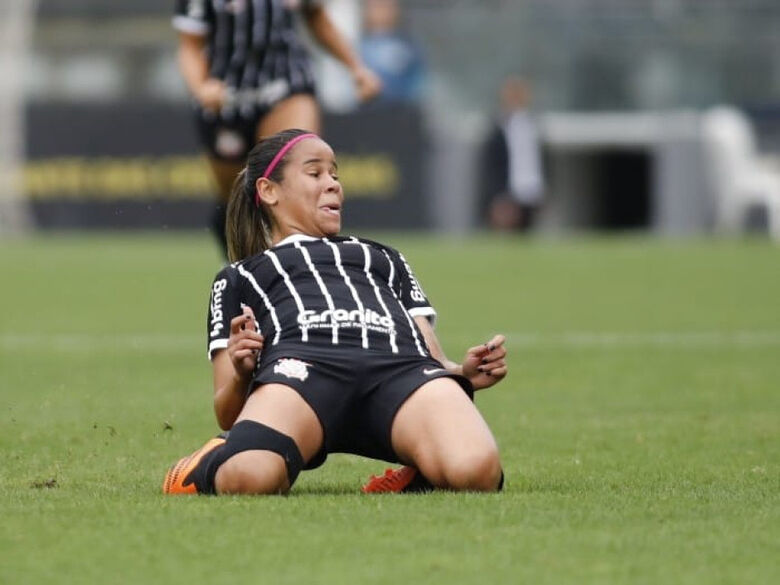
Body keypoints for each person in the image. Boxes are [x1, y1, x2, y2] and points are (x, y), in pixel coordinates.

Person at [162, 129, 508, 496]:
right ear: (269, 191)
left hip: (398, 373)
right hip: (299, 375)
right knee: (250, 478)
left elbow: (430, 353)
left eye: (335, 175)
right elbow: (226, 411)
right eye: (315, 174)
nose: (333, 185)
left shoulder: (383, 257)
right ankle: (208, 464)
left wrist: (463, 373)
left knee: (477, 473)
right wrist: (242, 374)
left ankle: (420, 468)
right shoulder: (240, 275)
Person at [173, 0, 382, 255]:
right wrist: (200, 87)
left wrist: (356, 67)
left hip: (285, 86)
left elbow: (316, 17)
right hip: (226, 99)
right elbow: (190, 44)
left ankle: (305, 265)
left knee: (298, 166)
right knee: (238, 196)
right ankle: (240, 263)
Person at [480, 76, 545, 231]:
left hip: (530, 191)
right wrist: (497, 196)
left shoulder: (533, 125)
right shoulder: (497, 128)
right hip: (506, 194)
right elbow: (491, 166)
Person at [359, 0, 426, 104]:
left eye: (387, 6)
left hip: (399, 110)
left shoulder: (408, 45)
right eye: (377, 6)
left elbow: (418, 82)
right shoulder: (356, 45)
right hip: (365, 110)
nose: (382, 12)